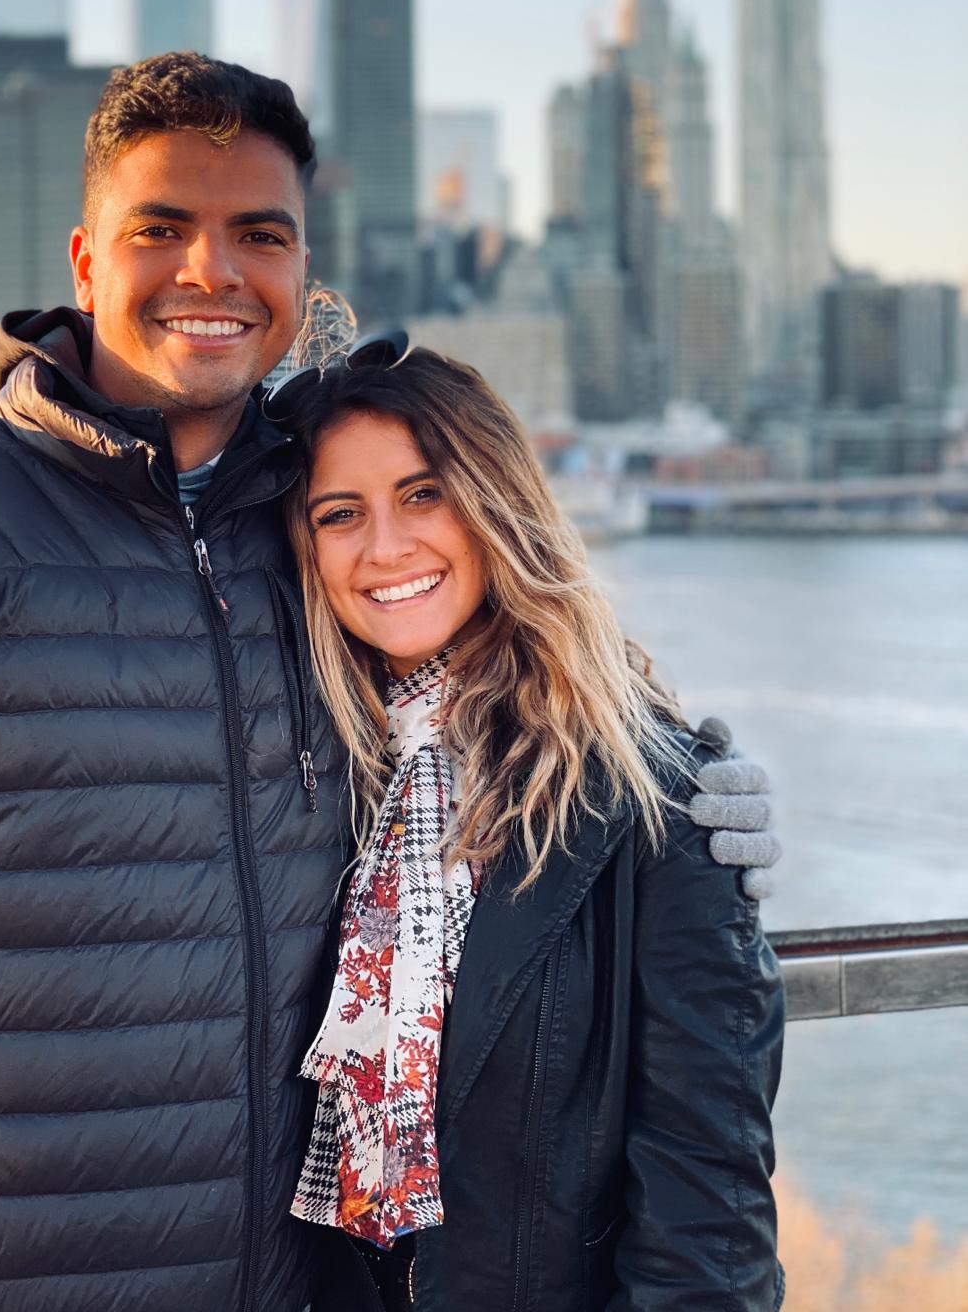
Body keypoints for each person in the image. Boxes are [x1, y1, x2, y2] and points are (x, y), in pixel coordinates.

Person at [0, 53, 775, 1312]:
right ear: (84, 261)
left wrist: (691, 800)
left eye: (258, 235)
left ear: (301, 274)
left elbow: (520, 698)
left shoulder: (316, 545)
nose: (211, 271)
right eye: (160, 228)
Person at [272, 340, 785, 1312]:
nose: (385, 546)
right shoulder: (314, 776)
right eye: (340, 514)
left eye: (424, 495)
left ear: (495, 505)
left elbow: (708, 1218)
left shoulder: (655, 799)